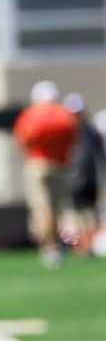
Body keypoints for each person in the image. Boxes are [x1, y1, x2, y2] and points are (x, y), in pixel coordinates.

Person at [13, 80, 77, 269]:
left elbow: (23, 140)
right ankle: (57, 245)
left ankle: (49, 247)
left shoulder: (30, 115)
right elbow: (73, 140)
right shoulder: (64, 115)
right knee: (56, 209)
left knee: (42, 209)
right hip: (59, 165)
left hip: (36, 164)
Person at [64, 93, 104, 258]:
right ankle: (80, 246)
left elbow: (100, 156)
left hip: (89, 179)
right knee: (76, 215)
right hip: (71, 179)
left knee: (91, 215)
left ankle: (88, 245)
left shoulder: (91, 132)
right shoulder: (65, 130)